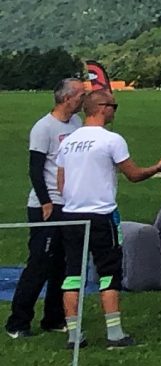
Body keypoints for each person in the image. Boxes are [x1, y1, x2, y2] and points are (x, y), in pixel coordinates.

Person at [48, 89, 161, 349]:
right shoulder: (111, 140)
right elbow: (134, 175)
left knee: (72, 273)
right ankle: (115, 333)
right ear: (102, 108)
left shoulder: (68, 141)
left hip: (71, 214)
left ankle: (73, 335)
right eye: (114, 106)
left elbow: (61, 182)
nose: (115, 111)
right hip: (101, 215)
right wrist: (158, 167)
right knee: (108, 272)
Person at [5, 79, 86, 341]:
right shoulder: (44, 128)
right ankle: (17, 322)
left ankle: (53, 318)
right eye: (80, 95)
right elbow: (35, 168)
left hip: (69, 204)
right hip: (46, 205)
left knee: (61, 264)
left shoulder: (76, 124)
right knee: (40, 262)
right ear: (67, 98)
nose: (84, 100)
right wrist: (45, 202)